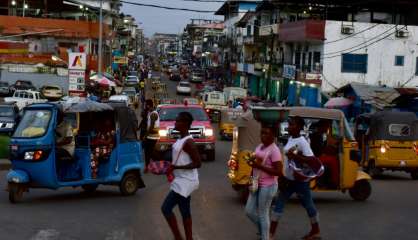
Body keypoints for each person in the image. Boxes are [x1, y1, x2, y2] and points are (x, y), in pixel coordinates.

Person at [270, 116, 321, 240]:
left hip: (299, 181)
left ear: (299, 127)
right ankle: (270, 233)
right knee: (279, 204)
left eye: (292, 124)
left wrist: (295, 157)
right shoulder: (291, 138)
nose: (289, 127)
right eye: (289, 124)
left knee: (308, 205)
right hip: (288, 180)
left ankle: (316, 231)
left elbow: (311, 160)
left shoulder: (303, 142)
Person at [161, 112, 201, 240]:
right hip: (181, 180)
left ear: (184, 124)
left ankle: (178, 237)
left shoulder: (189, 142)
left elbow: (198, 163)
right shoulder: (180, 140)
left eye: (177, 121)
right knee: (185, 210)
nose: (175, 122)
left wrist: (177, 167)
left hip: (186, 181)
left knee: (166, 208)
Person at [245, 125, 282, 240]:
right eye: (262, 133)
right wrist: (251, 177)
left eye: (266, 133)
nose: (262, 136)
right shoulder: (259, 147)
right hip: (256, 183)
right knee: (249, 211)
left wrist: (259, 166)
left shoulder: (274, 150)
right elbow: (255, 164)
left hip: (268, 186)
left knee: (263, 214)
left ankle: (265, 236)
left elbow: (278, 172)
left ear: (273, 136)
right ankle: (264, 231)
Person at [143, 99, 160, 171]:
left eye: (145, 105)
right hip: (151, 136)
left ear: (148, 105)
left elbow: (151, 126)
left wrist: (145, 136)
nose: (144, 106)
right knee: (149, 152)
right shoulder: (151, 113)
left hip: (152, 137)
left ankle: (148, 167)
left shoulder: (153, 114)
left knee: (148, 152)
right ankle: (150, 165)